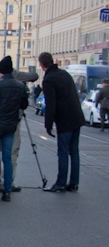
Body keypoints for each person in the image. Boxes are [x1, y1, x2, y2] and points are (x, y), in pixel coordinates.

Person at [38, 52, 85, 192]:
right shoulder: (65, 74)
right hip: (77, 116)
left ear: (41, 65)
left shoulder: (49, 80)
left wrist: (48, 124)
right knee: (74, 151)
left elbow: (51, 104)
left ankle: (61, 182)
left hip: (65, 120)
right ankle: (74, 182)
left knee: (63, 152)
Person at [0, 57, 28, 202]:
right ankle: (8, 190)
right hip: (11, 125)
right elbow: (24, 105)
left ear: (0, 71)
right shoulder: (20, 86)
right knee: (8, 157)